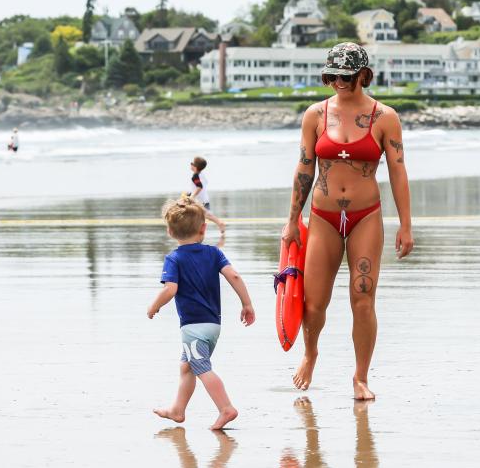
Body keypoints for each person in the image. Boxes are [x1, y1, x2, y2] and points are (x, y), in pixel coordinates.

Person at [282, 42, 415, 401]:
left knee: (363, 298)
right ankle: (310, 354)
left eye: (346, 75)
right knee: (313, 302)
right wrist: (292, 220)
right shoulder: (316, 115)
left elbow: (399, 173)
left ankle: (360, 377)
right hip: (323, 217)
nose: (339, 81)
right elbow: (304, 168)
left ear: (363, 75)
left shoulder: (384, 117)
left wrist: (406, 224)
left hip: (365, 216)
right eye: (333, 75)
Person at [148, 197, 256, 430]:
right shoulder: (214, 254)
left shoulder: (174, 259)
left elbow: (170, 289)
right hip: (213, 325)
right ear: (204, 228)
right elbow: (234, 276)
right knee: (187, 366)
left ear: (169, 231)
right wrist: (246, 304)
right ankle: (177, 409)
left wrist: (154, 306)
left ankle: (226, 408)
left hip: (192, 327)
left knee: (202, 368)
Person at [188, 156, 227, 234]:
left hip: (200, 200)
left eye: (192, 163)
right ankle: (198, 229)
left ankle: (219, 223)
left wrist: (192, 196)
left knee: (206, 215)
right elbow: (198, 187)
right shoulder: (201, 174)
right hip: (204, 198)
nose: (190, 164)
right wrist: (189, 194)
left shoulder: (195, 176)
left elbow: (199, 187)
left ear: (195, 167)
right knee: (203, 215)